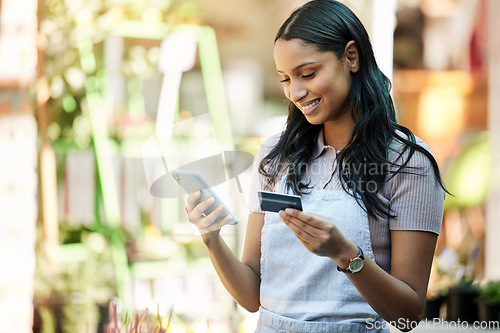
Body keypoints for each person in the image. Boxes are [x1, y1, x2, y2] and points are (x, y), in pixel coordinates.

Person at [184, 0, 446, 332]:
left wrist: (345, 255)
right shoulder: (275, 156)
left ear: (351, 57)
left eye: (308, 73)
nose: (296, 91)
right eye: (285, 79)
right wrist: (211, 237)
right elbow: (251, 296)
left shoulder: (407, 164)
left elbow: (408, 314)